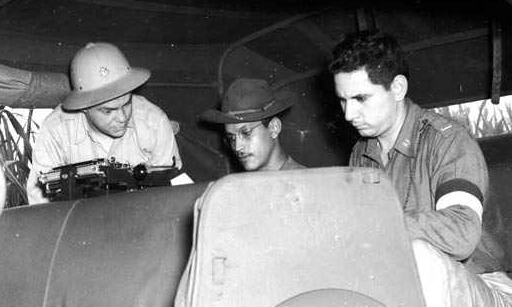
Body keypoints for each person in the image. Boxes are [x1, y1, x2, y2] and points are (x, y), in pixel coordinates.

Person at [327, 29, 512, 307]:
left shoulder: (448, 141)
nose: (349, 114)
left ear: (397, 88)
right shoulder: (360, 156)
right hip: (406, 290)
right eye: (342, 100)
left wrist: (375, 225)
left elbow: (461, 233)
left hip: (487, 291)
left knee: (420, 255)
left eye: (361, 98)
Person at [27, 42, 182, 204]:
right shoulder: (56, 130)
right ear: (84, 107)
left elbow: (168, 197)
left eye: (127, 104)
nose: (122, 117)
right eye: (108, 111)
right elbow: (40, 204)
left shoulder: (154, 122)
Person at [200, 77, 304, 172]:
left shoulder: (307, 186)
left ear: (274, 128)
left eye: (246, 133)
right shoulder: (243, 187)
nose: (237, 147)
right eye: (231, 138)